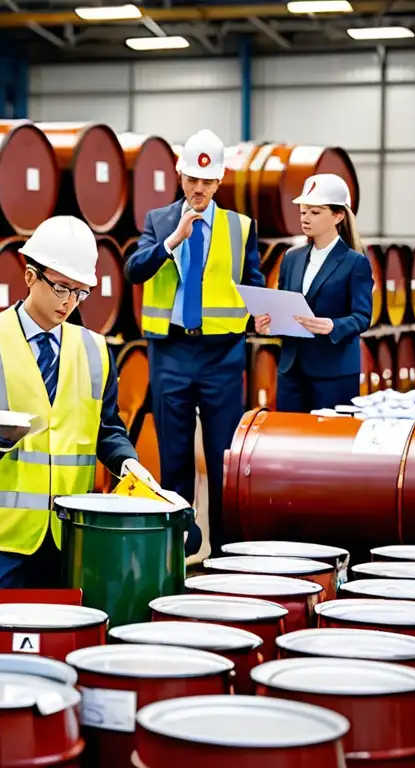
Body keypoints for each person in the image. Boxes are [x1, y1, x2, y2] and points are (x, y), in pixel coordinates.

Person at [0, 216, 156, 608]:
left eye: (80, 292)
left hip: (65, 534)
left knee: (54, 642)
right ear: (29, 276)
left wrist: (126, 462)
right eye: (60, 287)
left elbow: (106, 429)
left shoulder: (96, 351)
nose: (68, 302)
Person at [123, 128, 263, 557]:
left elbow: (253, 283)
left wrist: (261, 314)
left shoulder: (241, 227)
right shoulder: (159, 221)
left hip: (222, 354)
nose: (198, 189)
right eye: (191, 180)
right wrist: (172, 241)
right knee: (175, 457)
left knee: (224, 460)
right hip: (171, 352)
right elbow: (134, 270)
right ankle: (179, 547)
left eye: (207, 182)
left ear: (219, 182)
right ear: (180, 177)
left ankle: (224, 553)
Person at [254, 174, 372, 412]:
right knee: (289, 441)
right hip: (291, 370)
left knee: (329, 444)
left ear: (338, 216)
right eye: (303, 211)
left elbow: (362, 317)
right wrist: (268, 324)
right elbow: (285, 307)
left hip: (333, 373)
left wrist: (332, 326)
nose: (305, 218)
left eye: (315, 212)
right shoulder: (291, 258)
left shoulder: (355, 262)